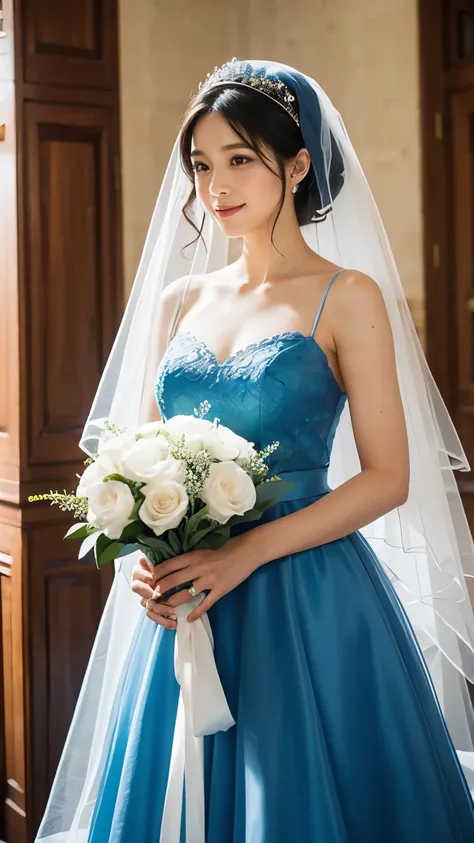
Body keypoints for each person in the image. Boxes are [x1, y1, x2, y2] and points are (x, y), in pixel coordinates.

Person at [35, 59, 474, 843]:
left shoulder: (348, 295)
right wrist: (144, 554)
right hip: (182, 597)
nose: (216, 185)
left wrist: (243, 556)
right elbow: (137, 454)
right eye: (202, 165)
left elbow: (387, 478)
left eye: (240, 159)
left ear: (297, 164)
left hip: (305, 595)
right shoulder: (180, 300)